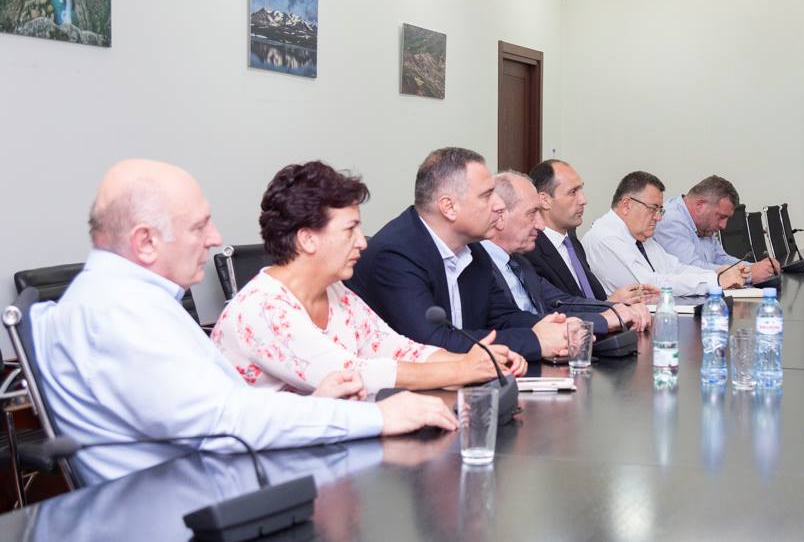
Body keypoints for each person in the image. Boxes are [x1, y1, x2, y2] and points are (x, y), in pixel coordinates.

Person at [32, 159, 457, 485]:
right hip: (184, 507)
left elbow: (222, 410)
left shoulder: (126, 299)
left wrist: (317, 405)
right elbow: (228, 423)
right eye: (199, 226)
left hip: (207, 483)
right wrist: (380, 416)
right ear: (145, 241)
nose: (215, 238)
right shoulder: (119, 313)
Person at [212, 162, 527, 397]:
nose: (362, 242)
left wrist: (479, 360)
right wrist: (460, 370)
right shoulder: (263, 308)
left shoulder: (335, 292)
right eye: (350, 230)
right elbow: (350, 373)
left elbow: (394, 347)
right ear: (307, 239)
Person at [347, 147, 572, 362]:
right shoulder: (395, 254)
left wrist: (553, 329)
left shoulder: (473, 249)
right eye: (487, 195)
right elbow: (433, 343)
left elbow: (502, 317)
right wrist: (536, 341)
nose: (498, 205)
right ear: (449, 207)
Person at [483, 171, 652, 333]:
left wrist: (617, 309)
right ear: (500, 215)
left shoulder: (519, 262)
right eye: (532, 213)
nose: (540, 225)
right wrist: (604, 319)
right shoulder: (477, 266)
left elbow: (563, 303)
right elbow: (511, 323)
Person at [582, 171, 747, 297]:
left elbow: (675, 268)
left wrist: (717, 274)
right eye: (653, 208)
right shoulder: (605, 237)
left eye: (660, 210)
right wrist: (714, 281)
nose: (658, 217)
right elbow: (649, 285)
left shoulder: (641, 238)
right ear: (627, 205)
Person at [524, 159, 658, 305]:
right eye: (573, 192)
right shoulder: (530, 250)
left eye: (581, 190)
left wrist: (622, 299)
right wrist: (608, 304)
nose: (583, 200)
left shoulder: (572, 243)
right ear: (544, 200)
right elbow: (557, 306)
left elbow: (591, 298)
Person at [653, 175, 779, 284]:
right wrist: (749, 274)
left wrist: (758, 267)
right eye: (721, 217)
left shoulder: (703, 225)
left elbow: (721, 258)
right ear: (700, 205)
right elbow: (692, 270)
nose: (723, 226)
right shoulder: (670, 219)